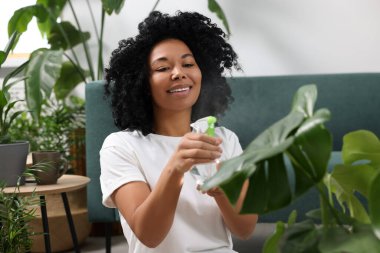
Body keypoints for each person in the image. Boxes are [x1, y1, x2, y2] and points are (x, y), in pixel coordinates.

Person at [100, 11, 258, 253]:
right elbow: (149, 235)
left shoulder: (224, 140)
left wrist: (222, 192)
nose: (179, 73)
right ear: (142, 81)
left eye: (188, 64)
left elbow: (245, 230)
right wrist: (175, 168)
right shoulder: (121, 146)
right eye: (163, 68)